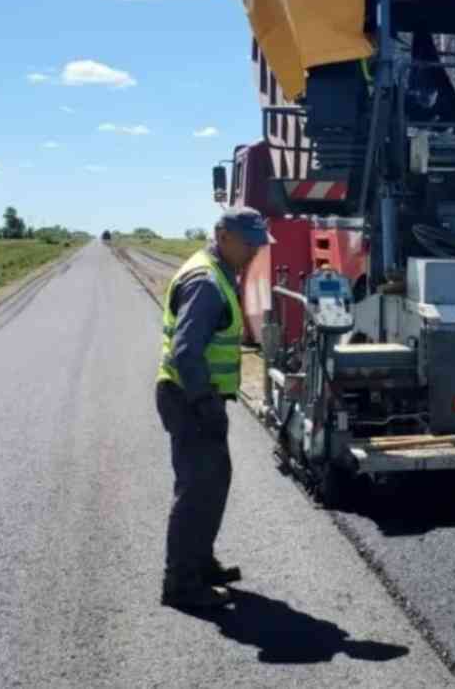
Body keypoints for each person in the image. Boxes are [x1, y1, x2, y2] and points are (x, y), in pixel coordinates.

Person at [155, 207, 273, 609]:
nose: (255, 250)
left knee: (213, 482)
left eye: (259, 243)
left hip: (195, 398)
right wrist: (205, 402)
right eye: (249, 242)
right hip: (190, 399)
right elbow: (187, 353)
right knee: (196, 490)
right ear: (223, 236)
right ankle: (181, 585)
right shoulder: (206, 281)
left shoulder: (219, 272)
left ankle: (200, 563)